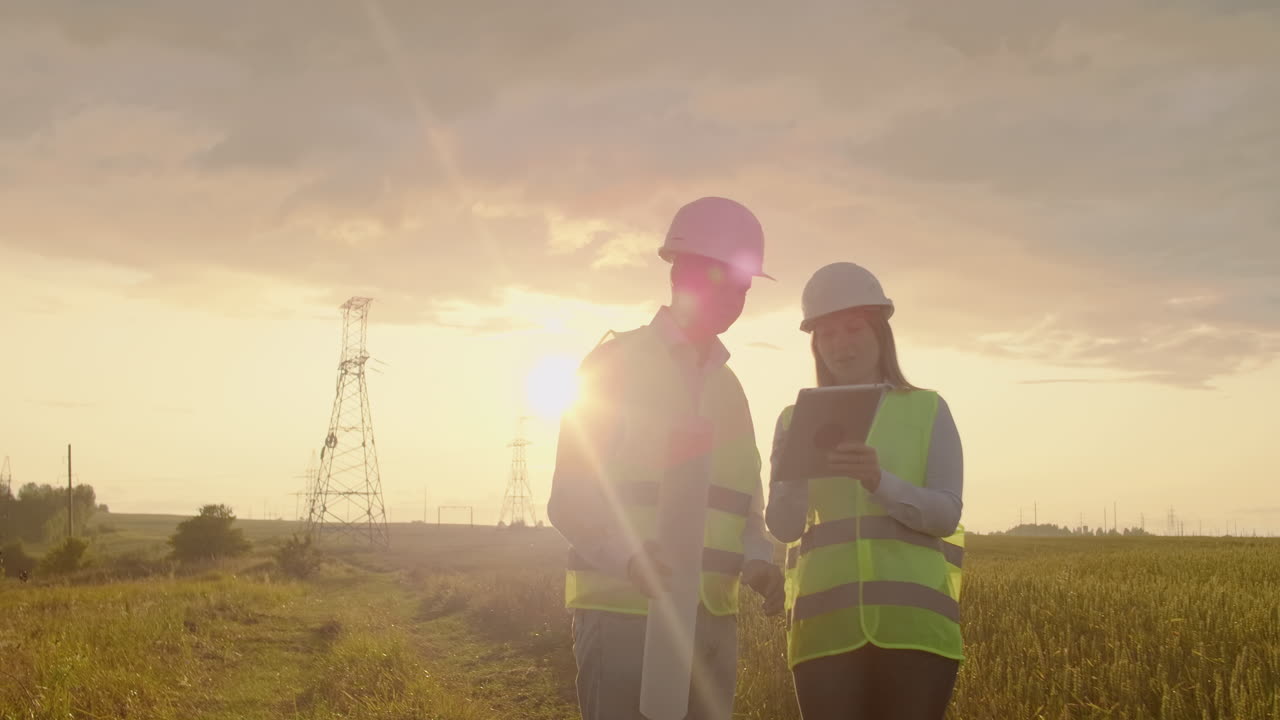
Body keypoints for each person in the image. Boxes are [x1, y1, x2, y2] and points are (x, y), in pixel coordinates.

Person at [547, 196, 786, 720]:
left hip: (712, 624)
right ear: (680, 270)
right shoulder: (614, 365)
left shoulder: (732, 389)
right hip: (622, 614)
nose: (736, 297)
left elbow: (745, 511)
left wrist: (760, 564)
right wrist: (630, 560)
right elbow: (569, 500)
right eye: (723, 277)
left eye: (744, 285)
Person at [766, 262, 966, 720]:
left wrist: (881, 483)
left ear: (879, 331)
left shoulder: (928, 408)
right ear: (815, 343)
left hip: (915, 632)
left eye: (853, 329)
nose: (842, 344)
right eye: (828, 334)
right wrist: (791, 472)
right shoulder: (792, 419)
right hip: (823, 634)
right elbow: (784, 527)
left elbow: (945, 514)